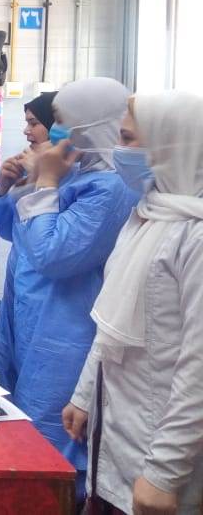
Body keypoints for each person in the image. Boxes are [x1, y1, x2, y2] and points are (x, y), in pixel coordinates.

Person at [0, 78, 138, 500]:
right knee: (19, 429)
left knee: (53, 447)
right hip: (28, 318)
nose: (52, 130)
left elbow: (54, 255)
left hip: (65, 335)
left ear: (91, 124)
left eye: (60, 120)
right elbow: (17, 232)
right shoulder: (75, 174)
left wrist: (46, 183)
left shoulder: (111, 187)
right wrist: (15, 186)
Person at [63, 91, 203, 515]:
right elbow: (112, 320)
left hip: (161, 455)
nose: (118, 151)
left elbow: (198, 364)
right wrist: (84, 394)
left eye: (127, 139)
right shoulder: (149, 213)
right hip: (117, 437)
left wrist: (164, 473)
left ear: (170, 145)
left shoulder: (195, 234)